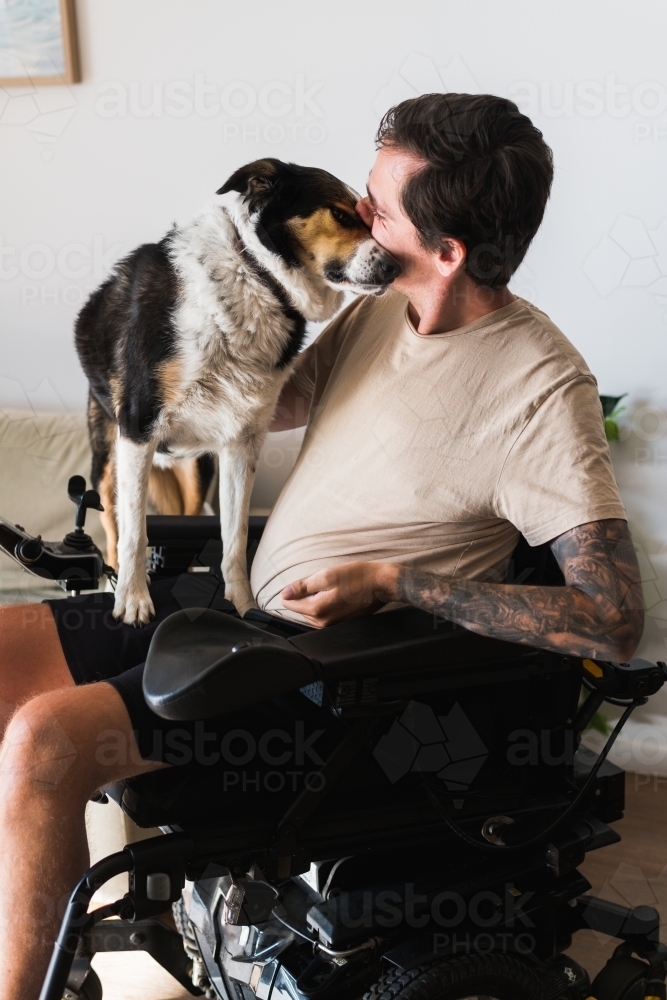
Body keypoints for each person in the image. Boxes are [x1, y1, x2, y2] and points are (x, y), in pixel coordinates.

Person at [0, 93, 643, 998]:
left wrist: (398, 582)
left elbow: (611, 620)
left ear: (448, 250)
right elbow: (278, 403)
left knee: (44, 741)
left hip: (332, 690)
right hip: (239, 622)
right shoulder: (379, 310)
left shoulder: (540, 387)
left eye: (374, 202)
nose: (355, 212)